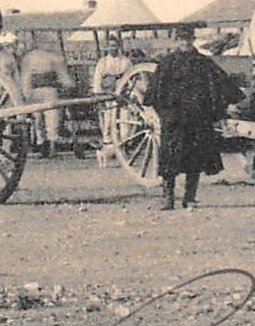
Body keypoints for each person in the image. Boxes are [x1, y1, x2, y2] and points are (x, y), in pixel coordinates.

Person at [146, 24, 240, 210]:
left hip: (198, 120)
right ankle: (168, 197)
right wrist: (164, 114)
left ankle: (190, 196)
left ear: (193, 40)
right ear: (176, 41)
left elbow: (221, 84)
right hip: (174, 121)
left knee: (195, 159)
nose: (185, 43)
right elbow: (155, 93)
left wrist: (225, 107)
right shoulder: (167, 63)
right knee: (170, 159)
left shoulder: (203, 63)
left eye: (188, 39)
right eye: (182, 39)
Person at [19, 42, 73, 157]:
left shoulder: (51, 57)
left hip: (47, 90)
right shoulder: (30, 58)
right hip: (38, 91)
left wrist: (25, 93)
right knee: (41, 119)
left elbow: (25, 78)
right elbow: (26, 77)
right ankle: (43, 145)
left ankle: (49, 145)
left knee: (48, 118)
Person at [92, 34, 134, 152]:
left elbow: (131, 78)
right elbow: (97, 80)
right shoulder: (103, 62)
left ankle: (124, 143)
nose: (113, 49)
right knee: (108, 119)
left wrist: (129, 93)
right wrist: (98, 95)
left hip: (123, 93)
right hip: (108, 94)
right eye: (110, 46)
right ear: (107, 47)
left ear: (119, 46)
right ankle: (108, 144)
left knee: (125, 119)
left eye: (115, 46)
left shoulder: (126, 61)